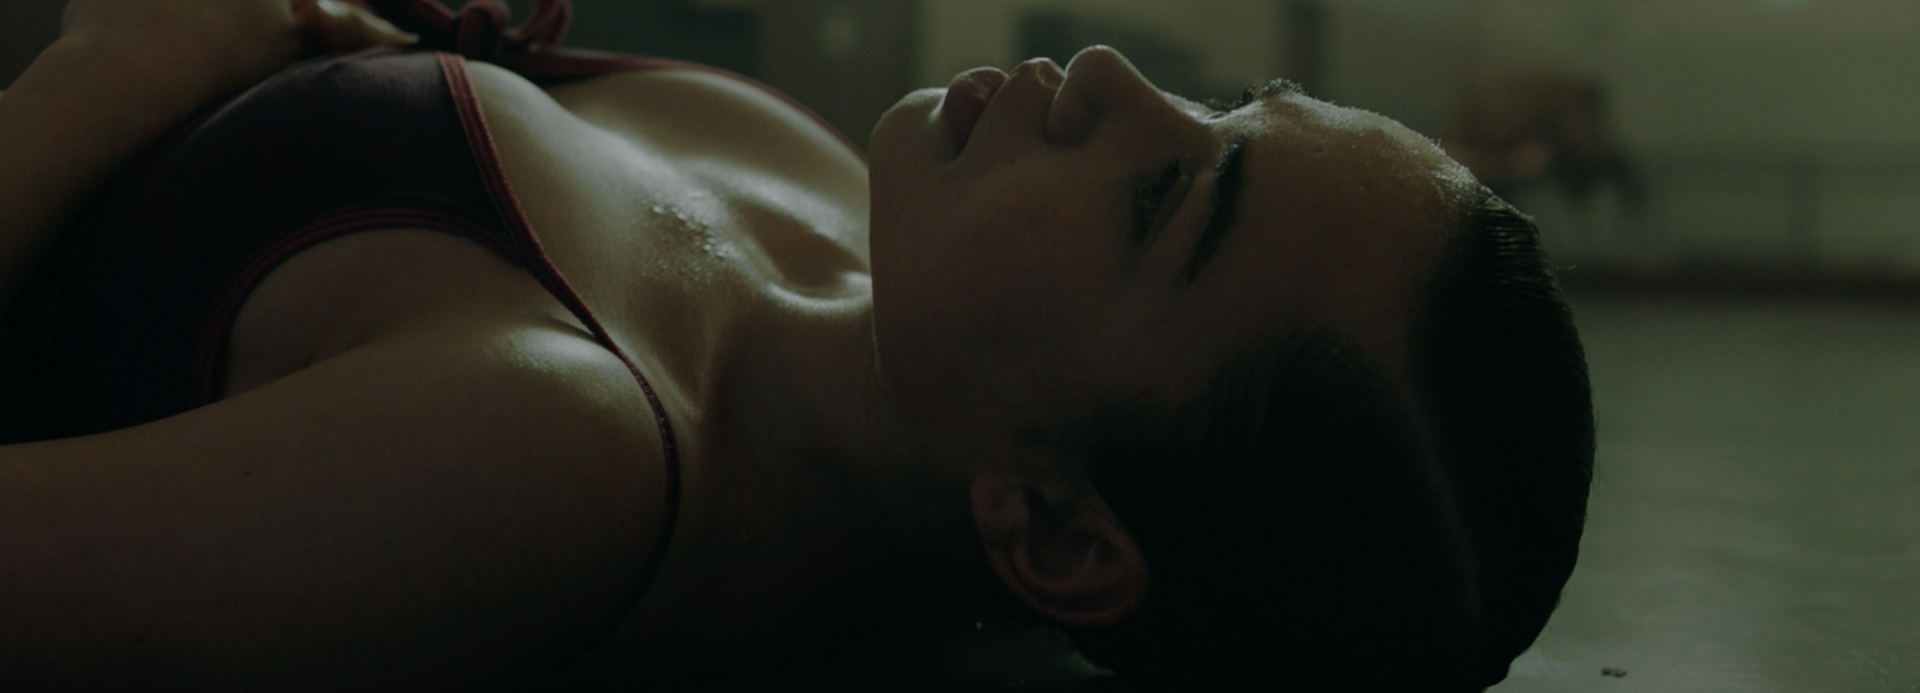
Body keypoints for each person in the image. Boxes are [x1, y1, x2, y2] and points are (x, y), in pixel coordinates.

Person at [0, 0, 1595, 690]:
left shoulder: (553, 459)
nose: (1116, 74)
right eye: (1233, 109)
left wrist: (113, 78)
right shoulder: (843, 212)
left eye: (1164, 196)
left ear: (1050, 527)